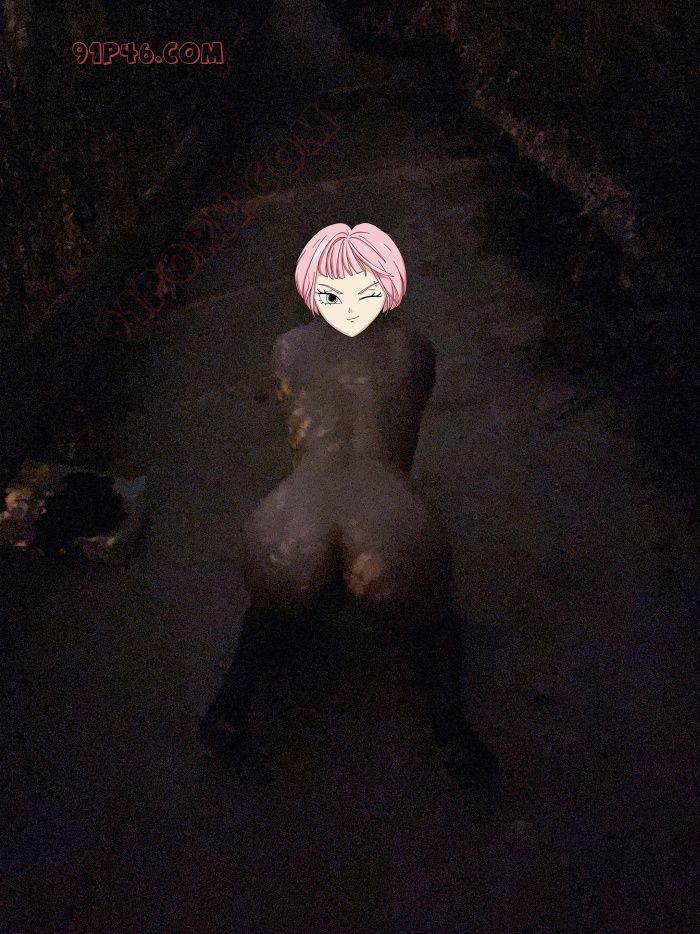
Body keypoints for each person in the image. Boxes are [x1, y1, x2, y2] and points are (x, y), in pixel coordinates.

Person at [199, 223, 497, 788]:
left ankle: (232, 702)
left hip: (290, 518)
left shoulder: (287, 348)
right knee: (436, 618)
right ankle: (450, 726)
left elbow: (297, 423)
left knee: (270, 606)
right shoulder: (414, 347)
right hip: (387, 515)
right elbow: (405, 435)